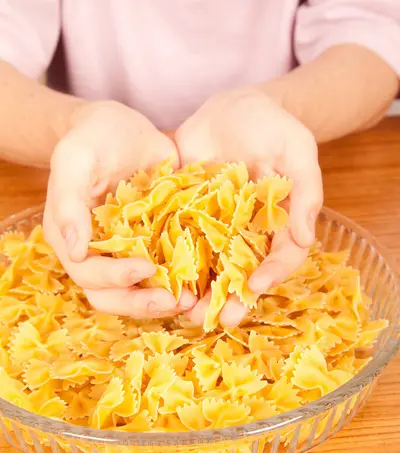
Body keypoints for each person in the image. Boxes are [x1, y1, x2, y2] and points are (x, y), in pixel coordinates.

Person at [0, 1, 399, 326]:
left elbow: (370, 33)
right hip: (95, 180)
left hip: (292, 171)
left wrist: (281, 107)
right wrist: (73, 127)